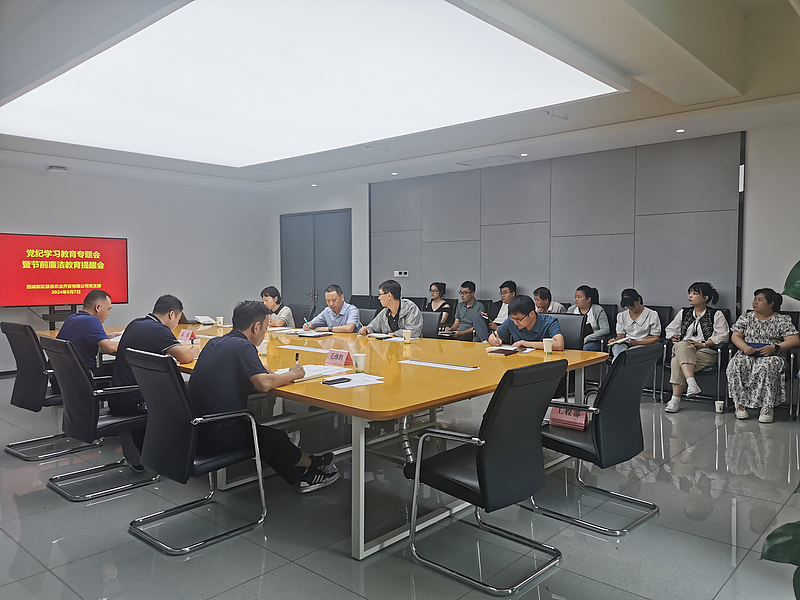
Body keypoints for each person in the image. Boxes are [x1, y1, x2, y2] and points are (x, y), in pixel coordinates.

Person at [188, 301, 339, 493]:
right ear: (256, 326)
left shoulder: (215, 342)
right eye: (266, 328)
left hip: (196, 429)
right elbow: (264, 384)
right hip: (221, 433)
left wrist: (256, 370)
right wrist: (293, 374)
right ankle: (311, 464)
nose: (265, 333)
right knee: (274, 439)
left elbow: (231, 372)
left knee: (267, 438)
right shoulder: (244, 346)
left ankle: (303, 475)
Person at [110, 294, 199, 469]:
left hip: (118, 395)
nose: (177, 323)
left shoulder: (135, 323)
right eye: (178, 318)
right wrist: (194, 350)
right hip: (135, 401)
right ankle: (176, 455)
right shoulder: (159, 330)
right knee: (188, 397)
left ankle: (142, 452)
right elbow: (185, 357)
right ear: (171, 314)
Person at [726, 288, 799, 423]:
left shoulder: (781, 319)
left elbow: (794, 339)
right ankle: (740, 404)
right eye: (754, 299)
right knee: (736, 364)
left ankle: (767, 407)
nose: (755, 302)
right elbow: (736, 336)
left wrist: (775, 347)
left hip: (772, 355)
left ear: (771, 303)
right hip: (748, 351)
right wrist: (744, 347)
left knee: (766, 367)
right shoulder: (746, 317)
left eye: (759, 300)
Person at [664, 282, 730, 413]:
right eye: (689, 293)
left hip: (706, 352)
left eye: (694, 294)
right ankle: (691, 383)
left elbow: (724, 336)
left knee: (676, 361)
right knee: (682, 345)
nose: (690, 296)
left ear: (705, 298)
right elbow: (670, 329)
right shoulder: (684, 312)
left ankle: (675, 400)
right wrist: (673, 336)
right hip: (684, 349)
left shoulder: (716, 314)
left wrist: (704, 344)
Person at [56, 289, 122, 375]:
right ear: (98, 307)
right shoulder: (91, 320)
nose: (108, 313)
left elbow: (82, 340)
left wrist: (105, 337)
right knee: (124, 366)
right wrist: (128, 341)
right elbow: (110, 348)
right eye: (108, 309)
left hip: (63, 376)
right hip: (83, 376)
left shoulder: (72, 318)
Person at [488, 295, 565, 350]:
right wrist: (493, 340)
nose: (515, 322)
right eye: (513, 318)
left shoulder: (549, 322)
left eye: (519, 319)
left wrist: (527, 344)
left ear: (532, 314)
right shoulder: (511, 321)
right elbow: (493, 336)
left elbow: (559, 344)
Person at [609, 288, 662, 359]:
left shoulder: (652, 314)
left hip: (643, 344)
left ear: (639, 300)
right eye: (627, 307)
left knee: (630, 354)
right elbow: (621, 335)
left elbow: (655, 338)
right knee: (618, 350)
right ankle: (619, 364)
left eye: (632, 306)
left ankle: (620, 365)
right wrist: (615, 340)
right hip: (626, 343)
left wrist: (637, 343)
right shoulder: (621, 315)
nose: (630, 309)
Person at [359, 279, 423, 338]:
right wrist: (366, 330)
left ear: (389, 295)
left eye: (380, 294)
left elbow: (413, 332)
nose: (379, 298)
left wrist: (394, 334)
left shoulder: (410, 308)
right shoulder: (385, 312)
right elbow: (372, 328)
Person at [567, 285, 610, 351]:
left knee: (585, 348)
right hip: (575, 340)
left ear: (588, 299)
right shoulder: (571, 310)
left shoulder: (598, 310)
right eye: (575, 297)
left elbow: (605, 329)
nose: (576, 299)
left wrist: (587, 338)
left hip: (593, 341)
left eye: (579, 297)